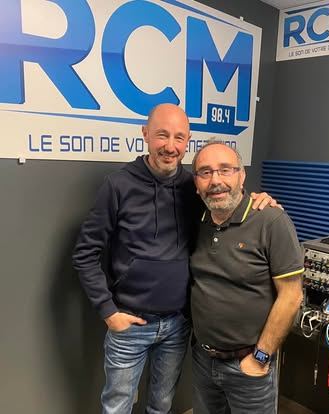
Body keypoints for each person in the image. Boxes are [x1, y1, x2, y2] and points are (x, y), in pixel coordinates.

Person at [72, 103, 277, 414]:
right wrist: (108, 311)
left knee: (161, 406)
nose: (170, 146)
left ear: (188, 141)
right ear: (145, 134)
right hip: (129, 325)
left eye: (179, 138)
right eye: (162, 135)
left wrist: (260, 199)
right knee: (116, 406)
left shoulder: (193, 187)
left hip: (177, 325)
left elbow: (227, 198)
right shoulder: (118, 185)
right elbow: (85, 252)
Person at [190, 140, 304, 414]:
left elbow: (291, 296)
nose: (216, 180)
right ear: (196, 183)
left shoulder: (271, 221)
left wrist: (260, 357)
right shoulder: (196, 220)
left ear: (242, 176)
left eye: (225, 170)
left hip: (249, 366)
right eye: (205, 172)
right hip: (203, 361)